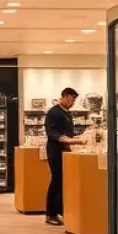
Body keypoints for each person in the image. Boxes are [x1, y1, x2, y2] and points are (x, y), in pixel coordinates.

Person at [44, 87, 78, 225]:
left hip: (65, 150)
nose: (72, 102)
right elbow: (51, 133)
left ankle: (62, 212)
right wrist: (68, 140)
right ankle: (51, 214)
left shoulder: (67, 113)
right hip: (55, 151)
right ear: (63, 96)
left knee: (64, 182)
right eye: (70, 98)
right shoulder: (53, 112)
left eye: (74, 99)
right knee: (56, 180)